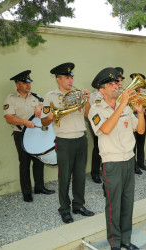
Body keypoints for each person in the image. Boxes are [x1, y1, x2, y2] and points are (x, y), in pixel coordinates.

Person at [88, 67, 144, 250]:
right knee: (114, 205)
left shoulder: (127, 107)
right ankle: (115, 243)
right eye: (110, 84)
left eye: (115, 83)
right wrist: (122, 105)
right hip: (112, 162)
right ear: (101, 90)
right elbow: (105, 129)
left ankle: (126, 239)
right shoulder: (95, 109)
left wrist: (141, 112)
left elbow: (140, 130)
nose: (116, 86)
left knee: (127, 202)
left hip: (129, 159)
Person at [41, 62, 94, 224]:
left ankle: (78, 205)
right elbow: (44, 121)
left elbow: (89, 114)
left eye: (71, 77)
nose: (70, 80)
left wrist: (86, 100)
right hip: (64, 140)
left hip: (80, 138)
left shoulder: (77, 93)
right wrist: (53, 115)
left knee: (80, 176)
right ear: (58, 79)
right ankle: (64, 209)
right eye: (66, 77)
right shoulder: (50, 96)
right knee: (64, 176)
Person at [4, 70, 55, 202]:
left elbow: (48, 106)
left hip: (36, 134)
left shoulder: (35, 96)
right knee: (25, 163)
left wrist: (40, 106)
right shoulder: (11, 98)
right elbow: (9, 118)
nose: (28, 85)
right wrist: (25, 122)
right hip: (21, 134)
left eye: (29, 82)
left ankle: (39, 187)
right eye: (24, 83)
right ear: (17, 84)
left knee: (38, 161)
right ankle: (27, 193)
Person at [130, 73, 146, 174]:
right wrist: (134, 110)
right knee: (132, 145)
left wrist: (145, 110)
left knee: (141, 143)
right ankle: (133, 166)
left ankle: (141, 162)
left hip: (142, 120)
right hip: (132, 122)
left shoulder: (144, 93)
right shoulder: (129, 93)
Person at [89, 90, 103, 184]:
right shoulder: (94, 96)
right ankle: (95, 173)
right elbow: (91, 112)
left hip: (111, 124)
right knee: (98, 149)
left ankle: (106, 171)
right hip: (98, 125)